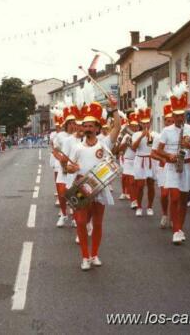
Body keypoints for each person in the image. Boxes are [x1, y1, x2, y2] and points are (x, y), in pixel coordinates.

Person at [67, 100, 121, 270]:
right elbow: (67, 168)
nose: (88, 128)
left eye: (91, 125)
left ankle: (94, 255)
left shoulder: (104, 144)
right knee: (82, 222)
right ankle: (84, 257)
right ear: (82, 129)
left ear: (97, 128)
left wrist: (114, 108)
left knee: (97, 223)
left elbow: (117, 128)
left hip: (99, 186)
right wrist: (70, 167)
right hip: (82, 187)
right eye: (85, 126)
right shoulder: (77, 148)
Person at [157, 82, 190, 244]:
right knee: (174, 198)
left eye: (182, 115)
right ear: (172, 116)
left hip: (187, 166)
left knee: (183, 200)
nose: (179, 118)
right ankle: (176, 230)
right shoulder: (166, 131)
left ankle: (179, 227)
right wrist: (169, 155)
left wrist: (189, 145)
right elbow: (159, 150)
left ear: (185, 115)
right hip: (172, 167)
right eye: (176, 115)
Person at [131, 97, 158, 217]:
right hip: (140, 159)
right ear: (140, 123)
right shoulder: (136, 134)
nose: (146, 124)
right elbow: (133, 147)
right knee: (140, 185)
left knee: (151, 184)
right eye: (144, 123)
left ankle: (150, 206)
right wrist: (141, 136)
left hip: (151, 160)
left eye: (148, 122)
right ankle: (139, 206)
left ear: (150, 123)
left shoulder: (155, 134)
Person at [53, 101, 77, 227]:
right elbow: (55, 151)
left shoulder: (79, 137)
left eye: (75, 123)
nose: (74, 125)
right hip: (63, 168)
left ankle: (74, 216)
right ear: (67, 124)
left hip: (74, 169)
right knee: (62, 193)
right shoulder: (61, 136)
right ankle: (63, 214)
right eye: (71, 123)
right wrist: (60, 160)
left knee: (73, 194)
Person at [151, 103, 174, 228]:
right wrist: (163, 158)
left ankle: (174, 218)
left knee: (175, 196)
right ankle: (165, 214)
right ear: (164, 122)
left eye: (172, 121)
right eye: (168, 121)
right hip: (163, 168)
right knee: (165, 194)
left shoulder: (178, 135)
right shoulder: (159, 137)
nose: (170, 123)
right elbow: (153, 154)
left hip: (175, 168)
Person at [118, 112, 140, 209]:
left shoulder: (139, 136)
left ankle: (135, 198)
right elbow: (119, 148)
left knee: (137, 183)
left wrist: (132, 144)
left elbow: (137, 149)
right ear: (130, 126)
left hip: (137, 160)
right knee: (131, 181)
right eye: (132, 126)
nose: (134, 128)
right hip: (128, 160)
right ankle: (134, 201)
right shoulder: (126, 136)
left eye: (136, 126)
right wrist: (126, 143)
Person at [50, 108, 63, 206]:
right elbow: (52, 145)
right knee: (57, 175)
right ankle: (58, 193)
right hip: (56, 156)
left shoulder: (66, 135)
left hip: (65, 157)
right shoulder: (53, 134)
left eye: (60, 126)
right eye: (57, 126)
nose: (59, 127)